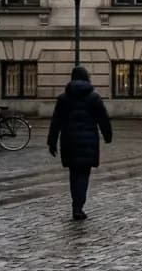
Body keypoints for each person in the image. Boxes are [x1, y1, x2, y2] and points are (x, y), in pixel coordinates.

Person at [47, 66, 113, 220]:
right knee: (83, 174)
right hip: (88, 141)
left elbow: (56, 121)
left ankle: (75, 205)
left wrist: (52, 142)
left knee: (74, 174)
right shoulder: (94, 98)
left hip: (69, 141)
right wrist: (108, 135)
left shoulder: (63, 99)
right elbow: (103, 118)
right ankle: (78, 206)